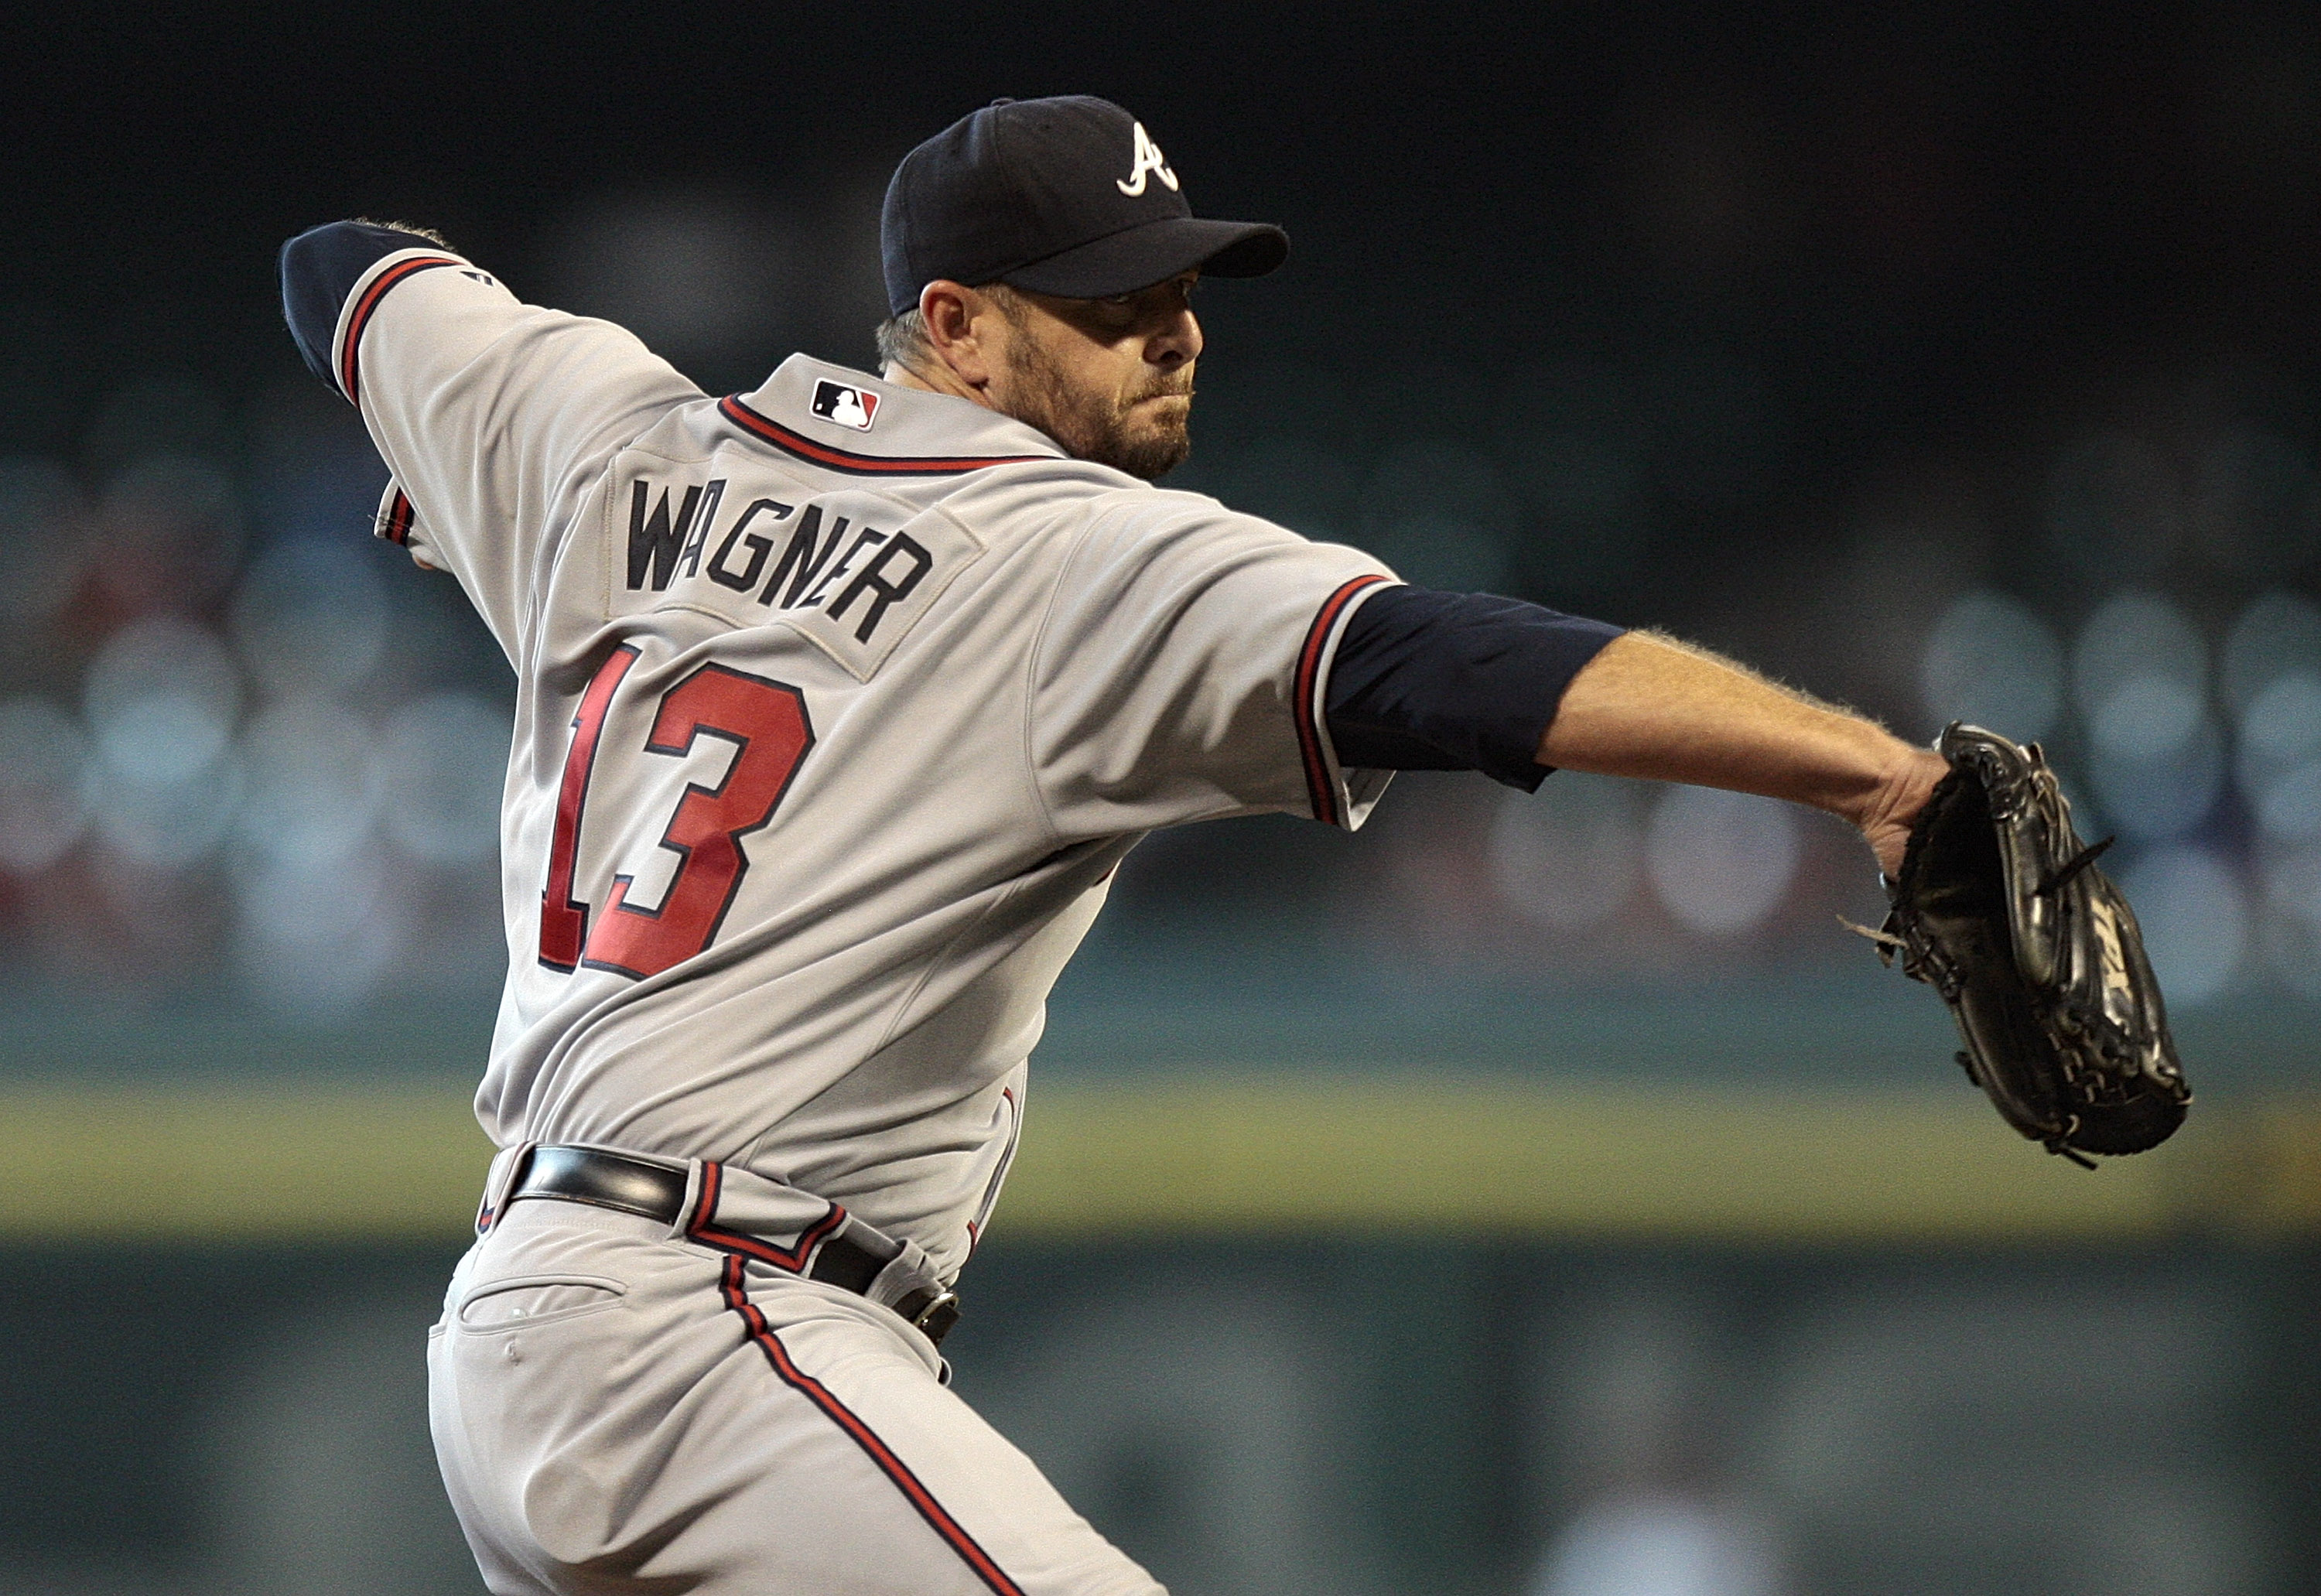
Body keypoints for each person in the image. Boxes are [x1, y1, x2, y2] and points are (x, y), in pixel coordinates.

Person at [279, 94, 1943, 1596]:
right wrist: (1879, 780)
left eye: (1182, 290)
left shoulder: (612, 440)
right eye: (1112, 302)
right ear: (957, 328)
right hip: (708, 1338)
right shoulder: (1061, 548)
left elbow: (342, 270)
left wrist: (467, 482)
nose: (1176, 336)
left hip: (515, 1324)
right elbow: (1453, 666)